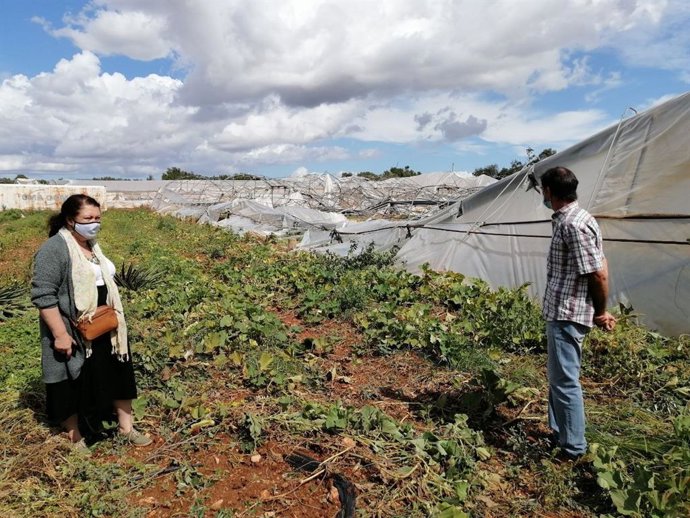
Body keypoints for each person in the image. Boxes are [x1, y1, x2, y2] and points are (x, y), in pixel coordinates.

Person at [31, 194, 151, 452]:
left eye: (97, 218)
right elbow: (43, 295)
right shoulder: (55, 249)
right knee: (70, 379)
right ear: (70, 219)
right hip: (73, 326)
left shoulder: (91, 244)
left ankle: (125, 428)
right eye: (88, 218)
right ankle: (75, 437)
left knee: (117, 370)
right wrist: (61, 334)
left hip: (105, 323)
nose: (94, 223)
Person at [540, 166, 616, 460]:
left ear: (548, 191)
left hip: (568, 313)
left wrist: (601, 312)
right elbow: (601, 261)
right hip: (562, 311)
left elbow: (597, 273)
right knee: (558, 377)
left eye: (542, 191)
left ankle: (572, 449)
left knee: (565, 382)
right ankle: (559, 432)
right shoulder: (579, 218)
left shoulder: (572, 224)